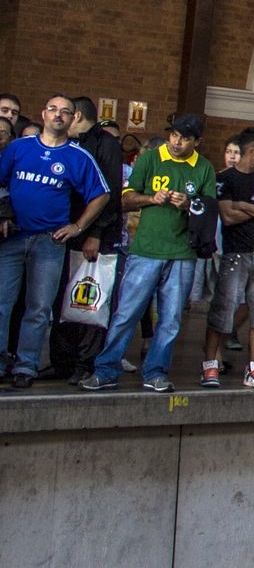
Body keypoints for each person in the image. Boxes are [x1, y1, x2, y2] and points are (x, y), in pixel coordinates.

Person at [88, 112, 216, 392]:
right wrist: (150, 198)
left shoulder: (204, 168)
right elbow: (125, 199)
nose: (176, 142)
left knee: (170, 319)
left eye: (184, 138)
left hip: (183, 252)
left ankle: (156, 371)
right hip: (146, 248)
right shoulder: (150, 158)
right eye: (174, 135)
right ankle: (106, 369)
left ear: (197, 141)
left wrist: (189, 203)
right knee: (127, 313)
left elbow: (209, 209)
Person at [0, 94, 112, 388]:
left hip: (49, 242)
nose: (58, 115)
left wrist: (78, 226)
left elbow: (102, 194)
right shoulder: (18, 148)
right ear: (43, 113)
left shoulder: (78, 156)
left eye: (65, 111)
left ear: (73, 118)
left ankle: (25, 367)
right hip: (11, 238)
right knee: (2, 304)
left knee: (38, 308)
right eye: (53, 109)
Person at [46, 94, 125, 383]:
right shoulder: (71, 144)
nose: (62, 120)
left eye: (66, 114)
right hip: (66, 232)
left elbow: (110, 194)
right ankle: (62, 361)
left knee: (91, 299)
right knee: (62, 300)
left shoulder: (106, 144)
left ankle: (85, 363)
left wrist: (95, 233)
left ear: (76, 116)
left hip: (95, 235)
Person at [203, 128, 254, 389]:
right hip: (234, 253)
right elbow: (227, 215)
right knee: (223, 310)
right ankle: (210, 365)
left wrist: (245, 206)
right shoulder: (224, 179)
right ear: (252, 151)